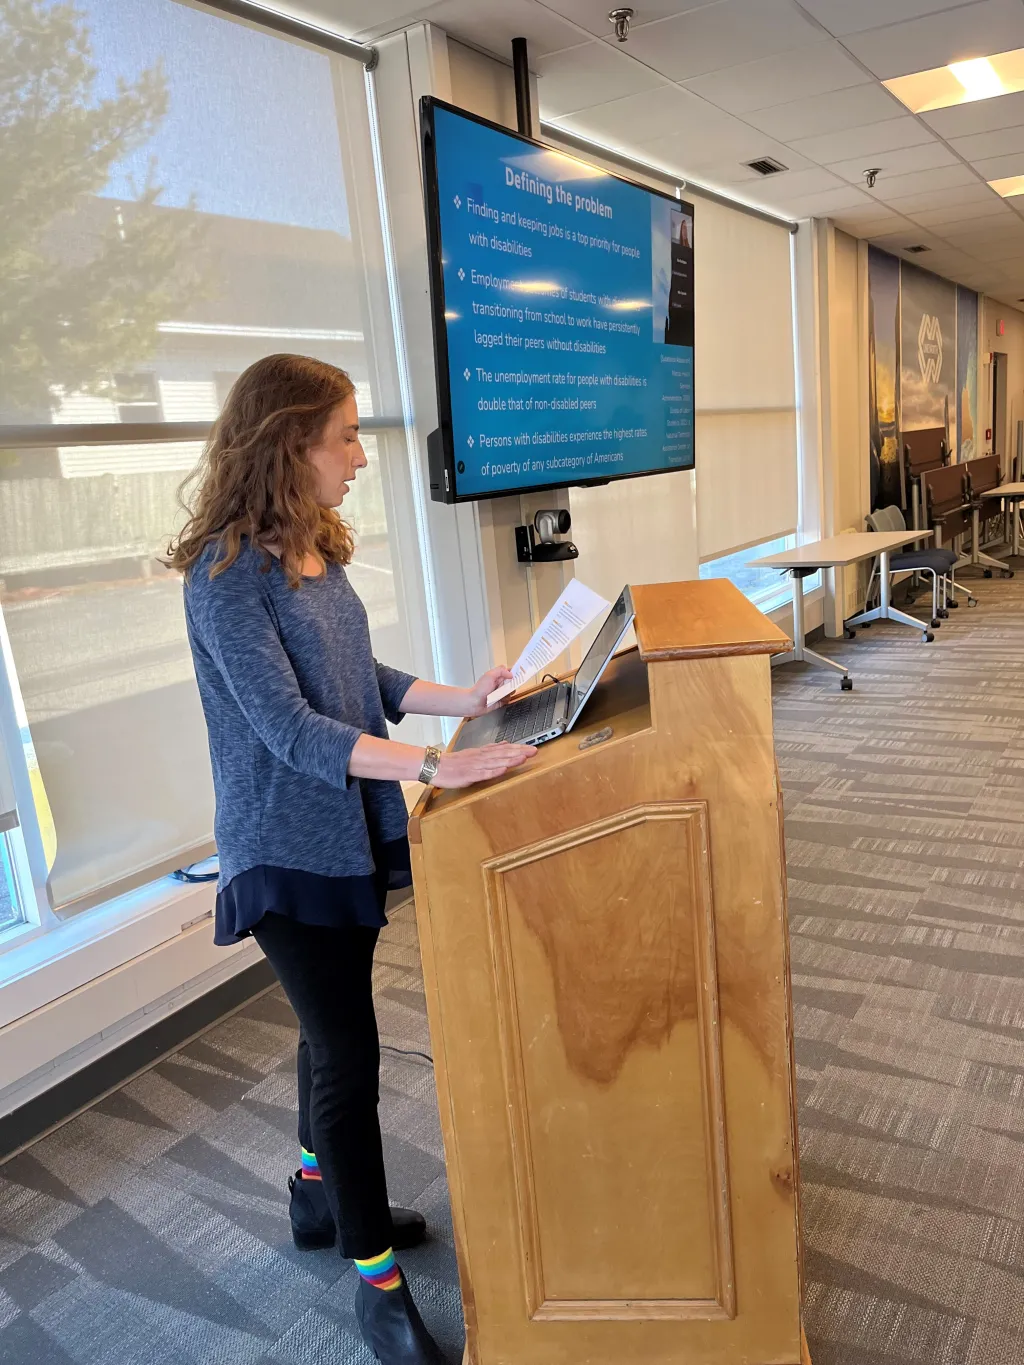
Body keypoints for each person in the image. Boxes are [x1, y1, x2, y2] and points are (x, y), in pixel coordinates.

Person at [167, 354, 534, 1365]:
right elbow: (288, 728)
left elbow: (353, 673)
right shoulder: (226, 578)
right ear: (290, 443)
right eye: (346, 436)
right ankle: (374, 1284)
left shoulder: (311, 553)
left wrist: (464, 700)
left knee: (323, 1029)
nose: (360, 457)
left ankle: (315, 1196)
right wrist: (431, 770)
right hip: (285, 847)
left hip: (348, 830)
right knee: (348, 1054)